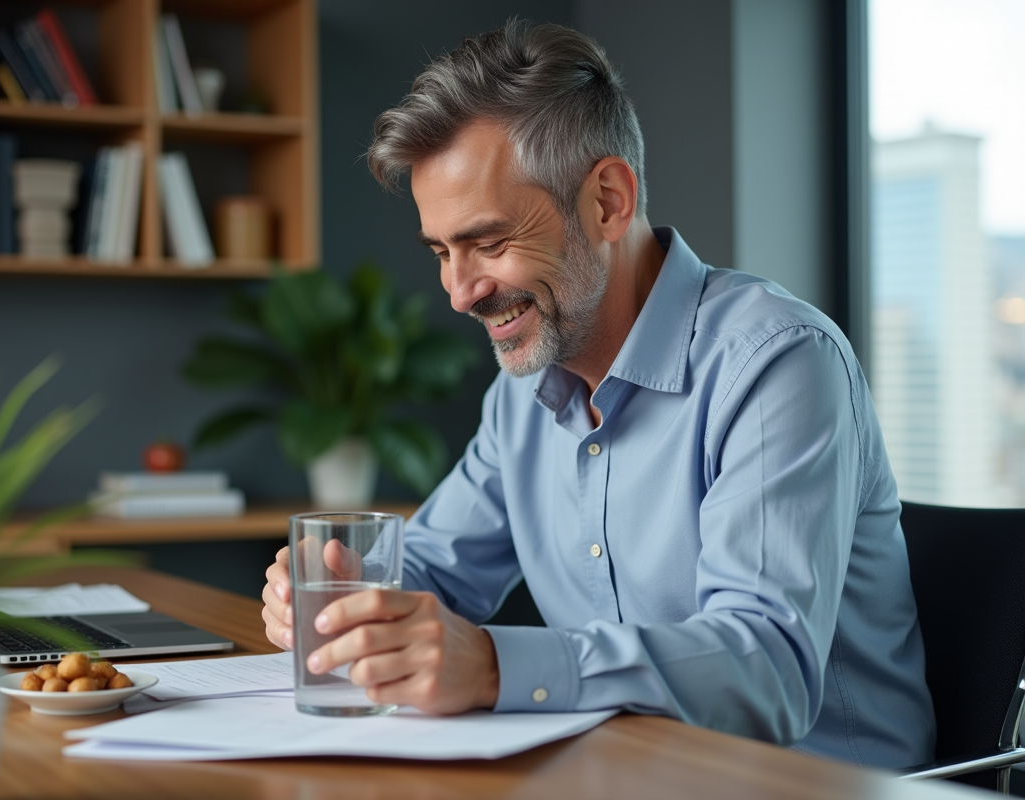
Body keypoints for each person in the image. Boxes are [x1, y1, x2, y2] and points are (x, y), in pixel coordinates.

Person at [261, 19, 935, 768]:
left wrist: (489, 664)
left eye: (488, 242)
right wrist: (342, 591)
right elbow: (433, 571)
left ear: (608, 202)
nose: (459, 292)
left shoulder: (778, 363)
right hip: (621, 774)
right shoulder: (524, 391)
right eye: (442, 252)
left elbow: (766, 668)